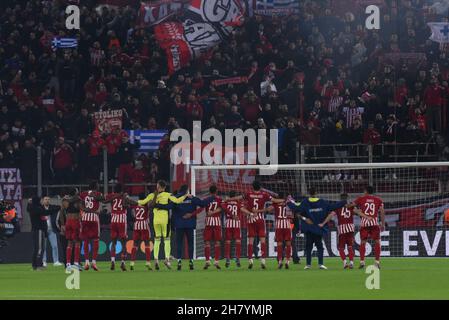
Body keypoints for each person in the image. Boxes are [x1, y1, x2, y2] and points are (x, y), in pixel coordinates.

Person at [126, 180, 189, 270]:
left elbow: (142, 202)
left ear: (158, 186)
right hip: (165, 220)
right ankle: (167, 259)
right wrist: (186, 195)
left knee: (157, 240)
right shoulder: (168, 194)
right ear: (164, 187)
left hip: (156, 220)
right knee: (167, 240)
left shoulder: (152, 195)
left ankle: (156, 260)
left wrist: (130, 200)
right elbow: (177, 201)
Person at [287, 187, 347, 270]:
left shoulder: (305, 202)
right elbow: (332, 207)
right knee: (320, 247)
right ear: (316, 193)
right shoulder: (322, 202)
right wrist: (344, 202)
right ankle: (320, 264)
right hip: (318, 228)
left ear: (309, 193)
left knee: (308, 247)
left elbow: (297, 209)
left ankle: (308, 264)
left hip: (309, 228)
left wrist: (289, 203)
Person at [155, 184, 211, 271]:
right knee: (190, 243)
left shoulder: (176, 198)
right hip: (190, 224)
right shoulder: (192, 198)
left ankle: (179, 262)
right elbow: (203, 204)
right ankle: (191, 261)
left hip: (179, 224)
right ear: (187, 190)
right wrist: (212, 197)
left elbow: (168, 207)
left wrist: (158, 205)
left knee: (179, 244)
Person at [319, 193, 373, 269]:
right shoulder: (351, 206)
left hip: (342, 229)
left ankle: (345, 263)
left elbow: (331, 215)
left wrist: (323, 223)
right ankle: (351, 262)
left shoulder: (337, 206)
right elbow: (358, 212)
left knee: (341, 248)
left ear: (340, 198)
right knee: (350, 246)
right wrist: (367, 217)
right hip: (350, 228)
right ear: (347, 198)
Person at [352, 186, 385, 269]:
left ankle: (362, 262)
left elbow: (352, 208)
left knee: (363, 242)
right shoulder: (378, 200)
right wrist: (383, 223)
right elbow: (382, 211)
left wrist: (361, 214)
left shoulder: (360, 199)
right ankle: (377, 262)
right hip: (374, 223)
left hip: (364, 224)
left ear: (366, 191)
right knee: (377, 242)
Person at [79, 181, 106, 271]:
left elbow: (79, 203)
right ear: (95, 186)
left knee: (85, 240)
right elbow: (104, 199)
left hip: (85, 217)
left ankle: (86, 262)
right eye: (98, 185)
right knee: (96, 240)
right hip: (94, 217)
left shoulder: (83, 194)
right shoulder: (98, 193)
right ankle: (94, 262)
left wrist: (84, 209)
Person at [28, 196, 60, 270]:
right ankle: (38, 265)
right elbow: (46, 212)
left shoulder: (32, 208)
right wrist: (56, 209)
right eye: (40, 201)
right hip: (38, 230)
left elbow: (29, 208)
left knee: (38, 248)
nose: (41, 202)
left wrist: (29, 203)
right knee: (39, 248)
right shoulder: (36, 209)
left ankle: (36, 265)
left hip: (39, 230)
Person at [264, 193, 293, 269]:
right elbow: (293, 212)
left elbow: (268, 209)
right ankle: (287, 261)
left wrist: (261, 210)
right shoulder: (287, 203)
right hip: (287, 224)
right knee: (288, 244)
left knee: (279, 244)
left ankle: (280, 261)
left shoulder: (275, 204)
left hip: (279, 225)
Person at [105, 184, 128, 271]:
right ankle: (122, 262)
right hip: (122, 219)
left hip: (113, 219)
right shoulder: (124, 196)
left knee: (113, 242)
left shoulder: (112, 195)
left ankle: (113, 261)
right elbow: (126, 205)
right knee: (123, 243)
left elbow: (105, 200)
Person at [202, 185, 223, 270]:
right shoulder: (219, 199)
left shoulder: (206, 199)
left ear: (210, 192)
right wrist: (214, 212)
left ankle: (207, 261)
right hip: (217, 222)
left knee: (207, 242)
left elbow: (201, 207)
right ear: (216, 191)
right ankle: (216, 261)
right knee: (217, 242)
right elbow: (221, 208)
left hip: (208, 222)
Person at [221, 191, 244, 268]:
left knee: (228, 241)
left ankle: (227, 258)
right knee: (238, 240)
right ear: (235, 196)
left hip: (228, 222)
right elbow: (242, 208)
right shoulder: (238, 202)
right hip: (237, 223)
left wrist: (231, 215)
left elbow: (222, 206)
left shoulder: (226, 202)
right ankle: (237, 258)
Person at [129, 194, 152, 271]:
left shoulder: (135, 205)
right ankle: (148, 262)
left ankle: (132, 263)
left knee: (135, 244)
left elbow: (132, 214)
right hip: (144, 225)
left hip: (136, 225)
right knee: (147, 244)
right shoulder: (146, 206)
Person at [41, 196, 63, 267]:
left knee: (55, 246)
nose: (47, 201)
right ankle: (44, 261)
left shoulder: (52, 207)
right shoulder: (40, 208)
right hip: (43, 230)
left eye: (48, 199)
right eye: (45, 199)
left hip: (51, 230)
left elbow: (59, 207)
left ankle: (56, 261)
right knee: (43, 247)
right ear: (43, 201)